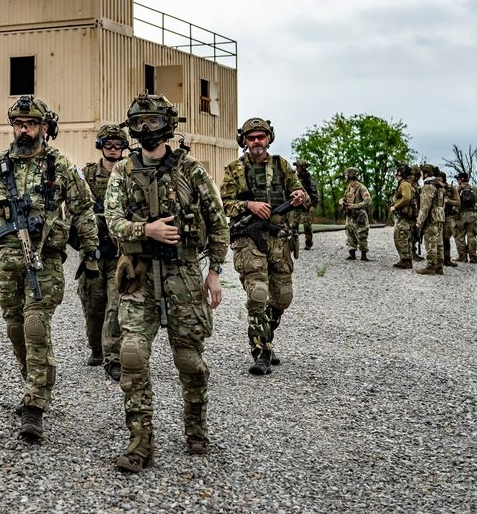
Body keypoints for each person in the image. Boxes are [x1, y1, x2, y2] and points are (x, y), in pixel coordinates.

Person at [0, 95, 98, 443]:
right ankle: (32, 383)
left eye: (31, 124)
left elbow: (84, 209)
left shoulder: (60, 165)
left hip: (44, 259)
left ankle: (35, 405)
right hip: (6, 259)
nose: (24, 130)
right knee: (15, 328)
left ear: (43, 127)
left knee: (35, 325)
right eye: (19, 124)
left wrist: (91, 252)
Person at [104, 94, 227, 466]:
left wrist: (215, 272)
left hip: (184, 278)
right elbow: (112, 222)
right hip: (139, 278)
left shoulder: (190, 170)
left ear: (167, 125)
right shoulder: (122, 173)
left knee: (190, 361)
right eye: (138, 125)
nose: (145, 131)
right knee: (133, 357)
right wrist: (148, 230)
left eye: (152, 123)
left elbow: (219, 223)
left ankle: (196, 429)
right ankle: (140, 442)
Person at [220, 117, 309, 376]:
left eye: (261, 136)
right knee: (257, 293)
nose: (256, 141)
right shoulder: (234, 170)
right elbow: (224, 203)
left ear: (268, 138)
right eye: (251, 138)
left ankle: (265, 333)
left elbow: (302, 194)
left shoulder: (282, 166)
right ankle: (261, 351)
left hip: (279, 238)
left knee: (282, 298)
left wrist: (300, 196)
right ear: (244, 141)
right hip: (248, 237)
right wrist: (249, 206)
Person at [79, 123, 128, 380]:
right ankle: (96, 348)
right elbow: (76, 208)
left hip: (120, 251)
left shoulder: (129, 174)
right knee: (93, 304)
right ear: (100, 146)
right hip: (93, 251)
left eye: (117, 145)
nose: (112, 150)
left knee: (116, 305)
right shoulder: (87, 174)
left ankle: (113, 358)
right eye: (108, 145)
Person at [415, 164, 447, 275]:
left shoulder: (428, 186)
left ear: (426, 174)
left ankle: (431, 265)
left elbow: (425, 206)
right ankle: (439, 265)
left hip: (431, 217)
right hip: (440, 216)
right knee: (439, 241)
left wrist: (419, 222)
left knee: (430, 241)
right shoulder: (440, 186)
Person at [388, 164, 417, 269]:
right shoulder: (408, 184)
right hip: (406, 217)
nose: (396, 174)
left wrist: (395, 207)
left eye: (397, 172)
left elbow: (406, 198)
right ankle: (406, 260)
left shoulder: (404, 184)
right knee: (405, 238)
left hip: (404, 217)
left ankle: (405, 260)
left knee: (400, 237)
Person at [339, 168, 372, 260]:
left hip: (359, 216)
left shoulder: (361, 187)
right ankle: (352, 253)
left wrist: (354, 206)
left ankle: (363, 255)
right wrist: (342, 201)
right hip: (350, 216)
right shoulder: (349, 187)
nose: (345, 176)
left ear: (350, 175)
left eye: (346, 174)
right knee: (350, 234)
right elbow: (345, 198)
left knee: (362, 235)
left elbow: (368, 201)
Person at [452, 172, 477, 263]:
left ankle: (462, 256)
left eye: (458, 179)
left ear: (462, 179)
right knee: (472, 236)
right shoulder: (475, 188)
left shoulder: (457, 189)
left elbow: (454, 202)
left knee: (459, 236)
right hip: (472, 215)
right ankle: (473, 257)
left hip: (460, 215)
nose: (457, 180)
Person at [290, 159, 319, 250]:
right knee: (293, 225)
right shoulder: (293, 177)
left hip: (306, 206)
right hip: (295, 205)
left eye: (298, 166)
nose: (297, 168)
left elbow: (314, 192)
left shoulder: (310, 178)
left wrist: (313, 205)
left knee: (307, 225)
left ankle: (309, 243)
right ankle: (293, 244)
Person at [439, 171, 459, 268]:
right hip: (436, 217)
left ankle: (446, 259)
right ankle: (437, 258)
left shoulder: (451, 189)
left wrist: (448, 201)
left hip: (447, 217)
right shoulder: (435, 188)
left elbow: (458, 203)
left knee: (446, 238)